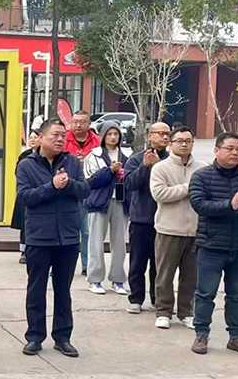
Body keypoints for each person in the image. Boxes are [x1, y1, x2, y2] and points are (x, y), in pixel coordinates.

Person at [189, 132, 238, 357]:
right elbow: (199, 205)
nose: (235, 153)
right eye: (230, 148)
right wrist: (229, 205)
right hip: (211, 246)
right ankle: (201, 334)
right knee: (205, 294)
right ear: (217, 150)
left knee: (237, 296)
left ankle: (236, 337)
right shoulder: (202, 176)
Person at [17, 118, 90, 358]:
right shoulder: (26, 165)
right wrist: (52, 186)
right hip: (39, 237)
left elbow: (84, 190)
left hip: (67, 238)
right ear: (41, 137)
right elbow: (24, 197)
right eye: (55, 135)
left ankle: (63, 337)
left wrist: (67, 184)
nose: (60, 139)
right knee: (36, 290)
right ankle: (34, 337)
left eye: (62, 135)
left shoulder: (71, 162)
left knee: (63, 290)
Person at [150, 126, 208, 330]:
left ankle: (186, 312)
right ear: (171, 143)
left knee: (191, 276)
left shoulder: (203, 168)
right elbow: (160, 194)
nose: (184, 144)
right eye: (180, 141)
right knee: (165, 275)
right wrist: (188, 187)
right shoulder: (160, 168)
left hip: (196, 230)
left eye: (188, 141)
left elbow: (206, 195)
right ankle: (163, 312)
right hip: (168, 229)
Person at [124, 122, 170, 314]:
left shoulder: (172, 160)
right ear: (150, 136)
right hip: (141, 219)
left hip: (165, 220)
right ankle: (136, 299)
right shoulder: (136, 159)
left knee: (160, 264)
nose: (165, 137)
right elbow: (129, 183)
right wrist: (145, 166)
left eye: (167, 134)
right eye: (160, 133)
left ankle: (157, 299)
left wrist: (158, 166)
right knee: (138, 262)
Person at [83, 121, 129, 296]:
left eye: (116, 134)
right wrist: (110, 170)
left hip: (120, 201)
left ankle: (118, 280)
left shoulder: (126, 154)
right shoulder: (94, 155)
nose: (113, 137)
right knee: (95, 241)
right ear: (103, 136)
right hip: (99, 202)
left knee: (120, 242)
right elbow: (91, 180)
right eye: (109, 134)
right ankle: (95, 279)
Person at [63, 110, 100, 276]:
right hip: (68, 190)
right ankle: (60, 265)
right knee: (65, 229)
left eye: (82, 122)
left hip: (90, 191)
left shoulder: (98, 141)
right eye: (75, 121)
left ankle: (87, 266)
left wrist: (87, 162)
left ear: (89, 124)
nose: (78, 125)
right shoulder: (63, 139)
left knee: (87, 232)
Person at [10, 129, 41, 264]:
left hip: (39, 192)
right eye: (30, 138)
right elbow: (18, 172)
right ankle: (24, 252)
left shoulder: (45, 155)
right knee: (24, 223)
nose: (32, 140)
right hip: (26, 193)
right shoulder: (24, 156)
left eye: (35, 137)